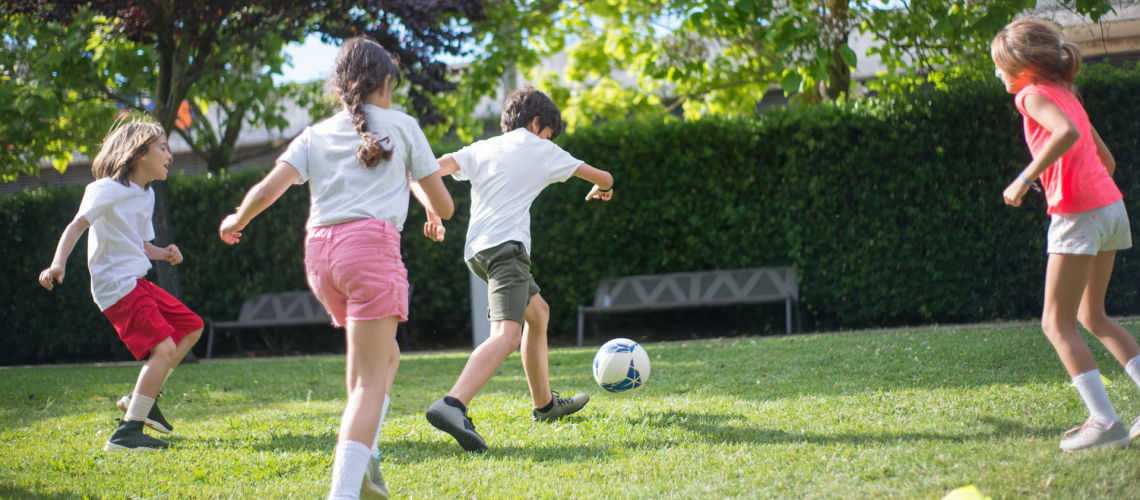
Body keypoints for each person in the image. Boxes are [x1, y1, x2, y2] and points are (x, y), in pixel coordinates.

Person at [218, 37, 452, 500]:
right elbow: (443, 205)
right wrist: (429, 203)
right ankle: (343, 492)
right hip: (369, 253)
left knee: (383, 360)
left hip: (321, 258)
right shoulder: (403, 126)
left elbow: (268, 190)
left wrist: (237, 219)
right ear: (386, 81)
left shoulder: (315, 133)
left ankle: (366, 463)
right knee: (370, 379)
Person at [422, 85, 614, 453]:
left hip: (477, 251)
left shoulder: (482, 147)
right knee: (507, 335)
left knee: (538, 313)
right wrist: (603, 189)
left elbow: (431, 171)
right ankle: (452, 404)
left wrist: (433, 211)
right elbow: (603, 176)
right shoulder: (541, 147)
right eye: (548, 133)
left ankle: (545, 406)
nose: (548, 140)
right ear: (537, 123)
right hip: (506, 250)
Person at [993, 18, 1140, 451]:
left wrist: (1025, 178)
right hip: (1111, 208)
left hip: (1080, 214)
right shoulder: (1068, 95)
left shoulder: (1031, 95)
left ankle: (1105, 422)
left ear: (1023, 65)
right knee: (1092, 317)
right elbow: (1107, 161)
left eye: (1000, 65)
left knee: (1055, 322)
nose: (998, 74)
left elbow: (1067, 135)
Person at [38, 119, 203, 451]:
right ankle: (127, 435)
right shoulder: (105, 189)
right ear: (140, 152)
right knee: (165, 348)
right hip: (116, 286)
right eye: (163, 147)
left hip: (136, 280)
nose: (170, 154)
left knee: (191, 326)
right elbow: (76, 226)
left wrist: (164, 253)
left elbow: (140, 245)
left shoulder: (147, 194)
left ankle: (142, 399)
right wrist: (58, 263)